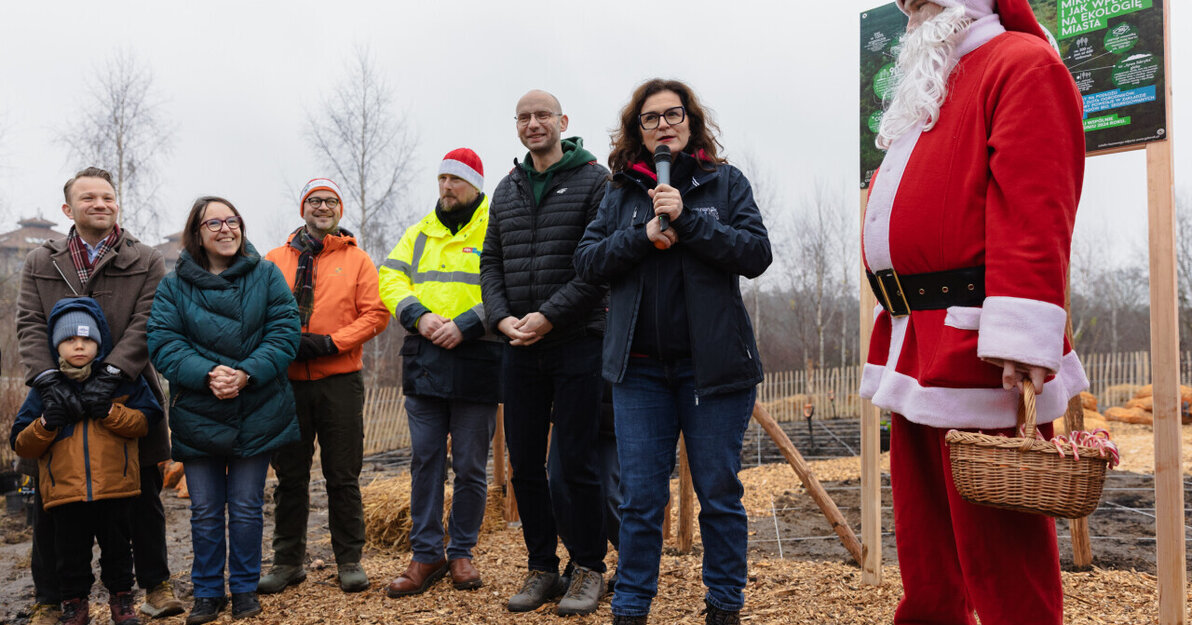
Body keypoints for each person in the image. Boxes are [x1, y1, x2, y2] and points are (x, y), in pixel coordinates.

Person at [859, 1, 1086, 623]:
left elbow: (1036, 207)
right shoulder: (931, 83)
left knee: (1001, 557)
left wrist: (1022, 336)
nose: (910, 4)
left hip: (982, 342)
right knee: (926, 546)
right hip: (914, 337)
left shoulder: (1022, 62)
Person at [574, 78, 771, 625]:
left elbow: (756, 254)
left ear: (691, 120)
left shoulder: (725, 184)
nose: (664, 125)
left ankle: (725, 606)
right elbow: (587, 263)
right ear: (638, 131)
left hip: (714, 371)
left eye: (673, 114)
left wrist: (686, 222)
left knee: (719, 493)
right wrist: (641, 237)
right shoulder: (620, 192)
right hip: (638, 373)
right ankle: (632, 607)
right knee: (640, 499)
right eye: (651, 117)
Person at [16, 167, 182, 625]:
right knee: (53, 502)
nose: (100, 204)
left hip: (127, 391)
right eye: (88, 198)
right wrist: (48, 380)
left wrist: (111, 372)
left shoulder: (146, 258)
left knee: (143, 494)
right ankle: (51, 600)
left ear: (117, 204)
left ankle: (156, 585)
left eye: (107, 197)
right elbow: (30, 324)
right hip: (59, 393)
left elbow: (148, 321)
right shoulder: (39, 261)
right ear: (69, 209)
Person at [480, 90, 610, 616]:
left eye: (542, 116)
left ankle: (588, 568)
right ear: (517, 126)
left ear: (562, 122)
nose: (534, 124)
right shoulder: (506, 189)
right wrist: (500, 316)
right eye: (524, 117)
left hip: (577, 341)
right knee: (525, 465)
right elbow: (490, 261)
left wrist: (549, 315)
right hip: (518, 346)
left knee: (575, 464)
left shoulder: (594, 182)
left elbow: (597, 267)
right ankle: (542, 567)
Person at [147, 197, 301, 625]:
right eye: (213, 223)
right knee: (207, 511)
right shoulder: (174, 285)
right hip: (198, 410)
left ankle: (245, 591)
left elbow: (286, 333)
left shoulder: (267, 275)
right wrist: (208, 373)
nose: (225, 229)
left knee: (248, 507)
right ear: (197, 233)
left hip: (258, 406)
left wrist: (246, 374)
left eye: (232, 220)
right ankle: (208, 593)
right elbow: (162, 341)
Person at [378, 148, 502, 597]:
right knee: (425, 463)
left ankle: (461, 551)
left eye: (456, 179)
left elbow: (509, 285)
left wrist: (468, 324)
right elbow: (389, 278)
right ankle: (425, 553)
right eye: (442, 178)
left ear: (476, 186)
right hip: (425, 360)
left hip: (477, 358)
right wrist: (419, 316)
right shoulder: (418, 233)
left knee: (470, 465)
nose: (447, 187)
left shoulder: (497, 226)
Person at [258, 178, 390, 595]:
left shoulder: (357, 260)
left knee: (343, 475)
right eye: (314, 201)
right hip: (287, 381)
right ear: (302, 209)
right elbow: (256, 312)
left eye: (330, 201)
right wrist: (282, 343)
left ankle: (349, 560)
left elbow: (375, 315)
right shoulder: (273, 260)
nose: (322, 207)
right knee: (290, 475)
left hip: (339, 380)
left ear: (340, 210)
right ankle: (287, 561)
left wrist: (332, 342)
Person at [11, 298, 163, 625]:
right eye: (69, 340)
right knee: (70, 557)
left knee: (119, 552)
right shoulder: (43, 390)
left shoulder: (122, 382)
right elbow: (22, 443)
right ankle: (74, 606)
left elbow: (145, 422)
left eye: (86, 339)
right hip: (65, 494)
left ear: (100, 341)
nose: (78, 346)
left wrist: (110, 412)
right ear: (55, 346)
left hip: (116, 488)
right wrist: (46, 424)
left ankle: (122, 602)